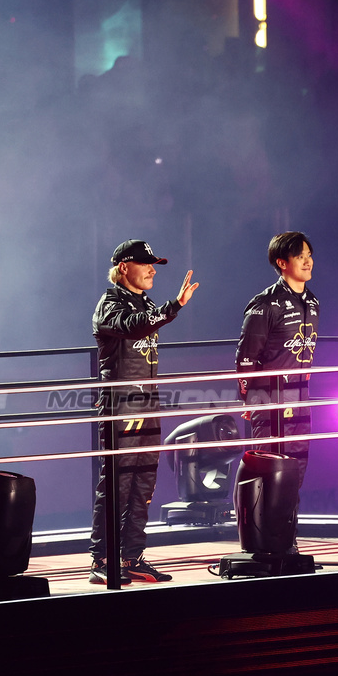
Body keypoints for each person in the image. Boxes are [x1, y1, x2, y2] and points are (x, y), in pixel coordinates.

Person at [89, 239, 198, 584]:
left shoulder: (145, 302)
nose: (153, 270)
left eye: (155, 264)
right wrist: (174, 306)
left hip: (148, 403)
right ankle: (101, 560)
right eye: (145, 263)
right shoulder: (109, 304)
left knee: (144, 484)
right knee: (116, 484)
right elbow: (135, 325)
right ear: (124, 267)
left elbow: (144, 319)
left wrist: (165, 308)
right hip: (120, 405)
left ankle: (132, 557)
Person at [235, 231, 318, 486]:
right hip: (270, 400)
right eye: (300, 256)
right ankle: (265, 526)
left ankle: (288, 526)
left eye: (309, 255)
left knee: (297, 470)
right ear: (282, 263)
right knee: (269, 470)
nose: (308, 262)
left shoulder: (312, 302)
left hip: (301, 398)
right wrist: (250, 399)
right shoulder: (265, 304)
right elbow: (246, 358)